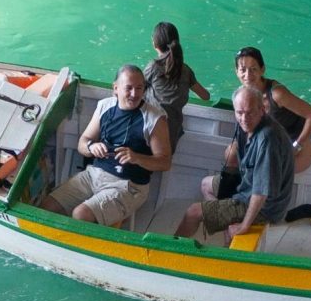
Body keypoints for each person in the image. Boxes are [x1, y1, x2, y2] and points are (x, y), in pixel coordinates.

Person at [44, 65, 172, 229]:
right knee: (46, 207)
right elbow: (83, 143)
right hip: (94, 175)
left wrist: (136, 158)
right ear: (116, 88)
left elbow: (164, 162)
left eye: (139, 88)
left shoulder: (154, 118)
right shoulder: (105, 106)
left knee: (80, 214)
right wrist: (91, 147)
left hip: (128, 185)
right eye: (129, 88)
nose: (134, 94)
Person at [177, 83, 295, 245]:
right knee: (206, 184)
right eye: (239, 112)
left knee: (193, 212)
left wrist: (244, 225)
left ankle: (168, 251)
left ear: (262, 110)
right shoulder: (245, 124)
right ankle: (225, 223)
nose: (244, 118)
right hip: (246, 185)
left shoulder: (267, 138)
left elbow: (261, 193)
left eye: (250, 112)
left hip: (265, 207)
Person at [228, 45, 311, 175]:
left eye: (253, 69)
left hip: (297, 147)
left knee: (262, 170)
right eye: (243, 69)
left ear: (262, 69)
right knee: (231, 153)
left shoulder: (277, 94)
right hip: (270, 143)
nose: (247, 75)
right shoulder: (241, 95)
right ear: (236, 71)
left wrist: (296, 146)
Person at [142, 21, 211, 152]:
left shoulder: (153, 67)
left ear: (155, 43)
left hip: (151, 130)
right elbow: (206, 96)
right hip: (172, 134)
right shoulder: (186, 70)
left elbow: (137, 87)